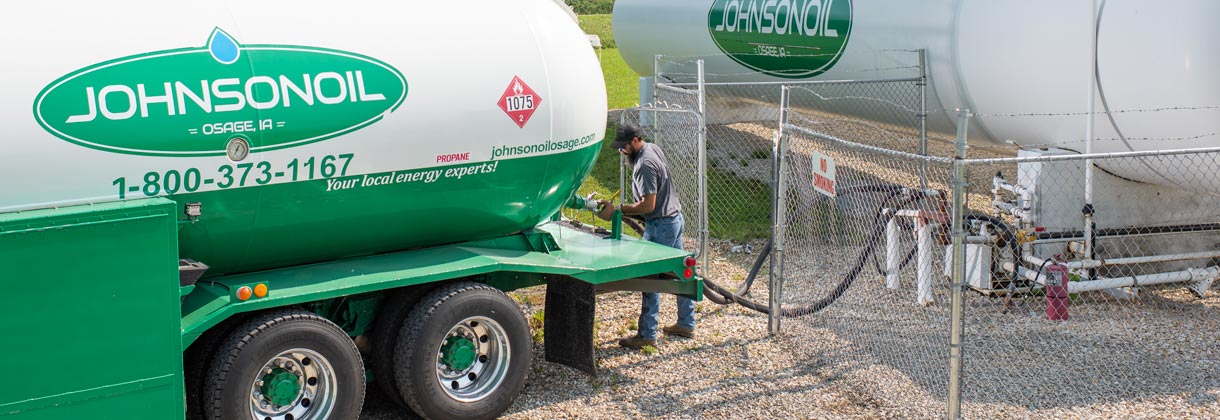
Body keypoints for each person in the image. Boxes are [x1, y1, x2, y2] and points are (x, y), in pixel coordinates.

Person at [597, 123, 695, 349]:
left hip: (661, 224)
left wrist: (618, 210)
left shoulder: (644, 165)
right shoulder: (652, 148)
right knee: (681, 274)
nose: (621, 152)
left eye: (623, 147)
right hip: (674, 219)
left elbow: (648, 205)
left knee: (649, 279)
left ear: (634, 141)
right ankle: (686, 323)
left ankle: (646, 335)